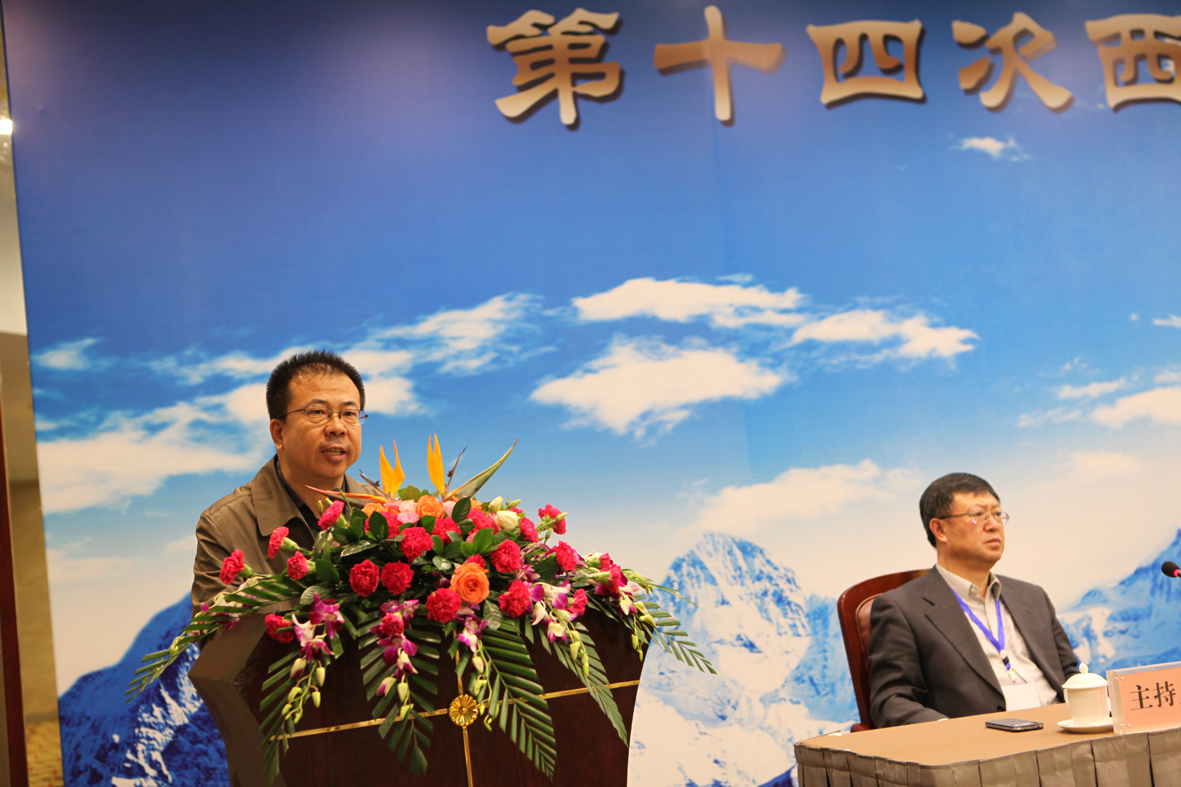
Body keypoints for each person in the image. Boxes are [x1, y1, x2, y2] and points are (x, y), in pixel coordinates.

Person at [867, 472, 1079, 727]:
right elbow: (891, 702)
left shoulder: (1033, 597)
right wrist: (957, 734)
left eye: (997, 514)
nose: (994, 525)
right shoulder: (902, 608)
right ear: (940, 529)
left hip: (1063, 732)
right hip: (984, 743)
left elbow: (1071, 676)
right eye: (978, 515)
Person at [190, 350, 377, 616]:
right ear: (279, 433)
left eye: (349, 413)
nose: (338, 427)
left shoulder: (386, 512)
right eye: (318, 412)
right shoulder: (225, 526)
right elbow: (218, 635)